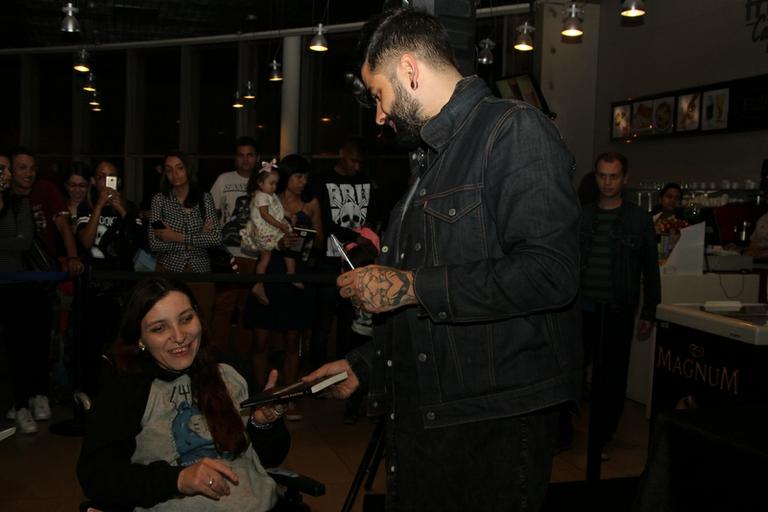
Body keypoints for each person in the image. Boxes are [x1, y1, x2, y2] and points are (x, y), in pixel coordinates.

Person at [305, 9, 582, 511]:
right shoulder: (431, 160)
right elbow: (429, 302)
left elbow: (551, 273)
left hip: (490, 425)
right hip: (431, 417)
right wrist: (364, 366)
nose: (380, 116)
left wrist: (409, 286)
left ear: (410, 70)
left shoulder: (514, 131)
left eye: (379, 96)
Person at [77, 277, 289, 511]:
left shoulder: (230, 371)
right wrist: (177, 479)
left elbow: (270, 457)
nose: (179, 337)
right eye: (159, 328)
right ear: (140, 338)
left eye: (186, 319)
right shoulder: (126, 391)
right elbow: (97, 478)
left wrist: (263, 425)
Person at [579, 152, 660, 460]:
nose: (607, 182)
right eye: (602, 175)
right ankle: (566, 433)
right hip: (583, 307)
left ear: (624, 179)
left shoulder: (638, 220)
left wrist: (649, 311)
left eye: (613, 176)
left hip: (618, 309)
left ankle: (601, 437)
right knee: (575, 372)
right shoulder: (583, 216)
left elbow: (650, 270)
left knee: (611, 378)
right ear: (595, 176)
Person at [242, 155, 322, 422]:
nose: (303, 182)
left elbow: (319, 242)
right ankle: (261, 397)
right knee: (260, 341)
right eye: (299, 176)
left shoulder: (310, 204)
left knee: (292, 341)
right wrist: (276, 241)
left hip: (294, 274)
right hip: (268, 273)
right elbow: (249, 238)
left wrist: (302, 240)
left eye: (306, 178)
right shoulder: (266, 199)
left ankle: (289, 397)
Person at [77, 159, 144, 402]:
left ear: (119, 181)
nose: (106, 182)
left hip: (123, 289)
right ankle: (91, 395)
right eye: (101, 177)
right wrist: (98, 208)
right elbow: (85, 242)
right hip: (94, 288)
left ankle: (122, 397)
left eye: (111, 176)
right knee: (92, 346)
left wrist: (123, 210)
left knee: (123, 346)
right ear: (94, 181)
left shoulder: (130, 207)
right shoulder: (86, 208)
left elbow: (139, 242)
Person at [310, 137, 376, 369]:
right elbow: (323, 221)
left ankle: (345, 369)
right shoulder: (323, 181)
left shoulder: (366, 181)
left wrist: (368, 235)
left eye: (359, 162)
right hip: (329, 260)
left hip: (357, 261)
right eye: (352, 161)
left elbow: (376, 214)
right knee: (323, 321)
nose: (356, 166)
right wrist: (354, 236)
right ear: (341, 154)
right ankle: (317, 371)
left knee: (350, 321)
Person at [149, 151, 221, 328]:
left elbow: (216, 238)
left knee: (203, 325)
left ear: (188, 169)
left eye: (179, 168)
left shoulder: (204, 198)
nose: (175, 174)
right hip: (168, 270)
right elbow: (155, 243)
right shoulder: (160, 200)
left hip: (200, 271)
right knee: (169, 325)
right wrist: (196, 239)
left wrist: (175, 236)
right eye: (169, 170)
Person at [209, 137, 261, 356]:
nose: (245, 160)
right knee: (223, 308)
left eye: (250, 155)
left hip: (255, 256)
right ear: (235, 158)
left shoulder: (265, 181)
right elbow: (212, 213)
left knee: (246, 311)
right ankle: (217, 354)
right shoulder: (224, 180)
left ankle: (242, 357)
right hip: (228, 255)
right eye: (241, 155)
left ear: (257, 158)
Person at [240, 160, 297, 306]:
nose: (274, 187)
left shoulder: (270, 196)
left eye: (276, 183)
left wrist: (289, 214)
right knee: (265, 258)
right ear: (260, 183)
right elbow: (265, 215)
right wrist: (281, 225)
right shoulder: (260, 196)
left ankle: (291, 274)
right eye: (271, 183)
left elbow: (277, 210)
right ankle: (259, 284)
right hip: (264, 231)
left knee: (288, 246)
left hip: (273, 229)